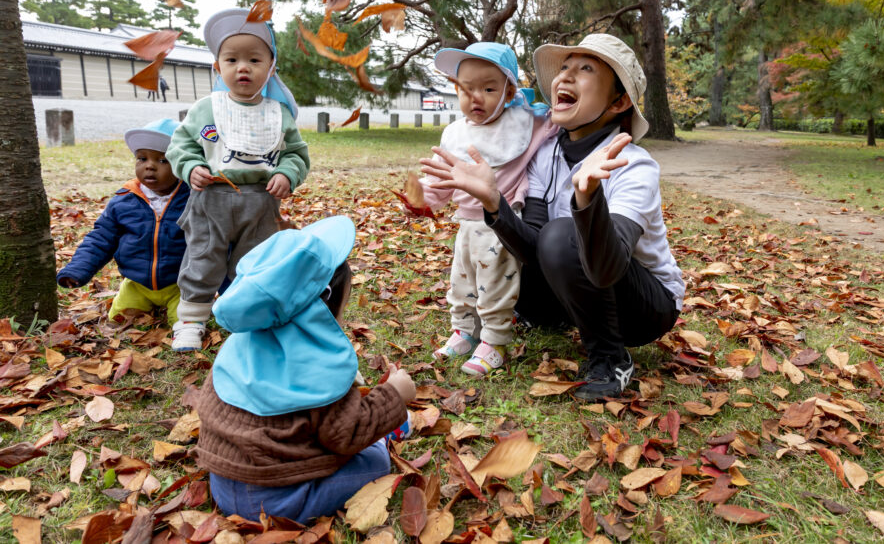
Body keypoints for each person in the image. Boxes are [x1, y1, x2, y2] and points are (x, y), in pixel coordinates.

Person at [421, 34, 686, 400]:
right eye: (564, 68)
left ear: (619, 100)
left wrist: (587, 198)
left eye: (585, 69)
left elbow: (608, 267)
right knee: (514, 241)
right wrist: (494, 201)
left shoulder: (634, 166)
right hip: (576, 286)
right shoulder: (548, 154)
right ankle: (538, 317)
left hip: (644, 305)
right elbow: (533, 245)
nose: (564, 77)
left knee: (561, 234)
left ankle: (610, 358)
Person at [193, 215, 416, 523]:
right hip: (278, 501)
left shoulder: (240, 343)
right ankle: (386, 436)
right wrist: (394, 395)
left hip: (223, 480)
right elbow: (345, 435)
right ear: (319, 310)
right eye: (340, 312)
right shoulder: (318, 367)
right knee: (376, 461)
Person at [166, 9, 310, 352]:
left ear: (270, 67)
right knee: (202, 257)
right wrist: (190, 167)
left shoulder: (279, 113)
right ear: (218, 67)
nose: (242, 67)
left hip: (261, 202)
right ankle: (191, 319)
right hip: (210, 199)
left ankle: (247, 315)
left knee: (256, 260)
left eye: (254, 59)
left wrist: (286, 174)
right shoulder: (206, 108)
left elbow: (296, 154)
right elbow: (181, 145)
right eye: (231, 59)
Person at [413, 42, 556, 376]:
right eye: (467, 89)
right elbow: (440, 180)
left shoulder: (524, 124)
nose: (476, 97)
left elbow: (557, 120)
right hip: (465, 224)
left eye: (489, 88)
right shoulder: (455, 134)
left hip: (501, 225)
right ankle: (464, 330)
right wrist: (420, 197)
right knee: (461, 281)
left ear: (508, 93)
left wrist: (541, 110)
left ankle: (494, 341)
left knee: (495, 285)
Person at [57, 119, 188, 325]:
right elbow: (101, 238)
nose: (150, 167)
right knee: (118, 323)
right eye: (142, 159)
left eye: (163, 160)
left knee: (187, 325)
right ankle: (137, 304)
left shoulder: (192, 200)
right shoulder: (124, 201)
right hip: (136, 284)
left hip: (181, 285)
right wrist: (78, 269)